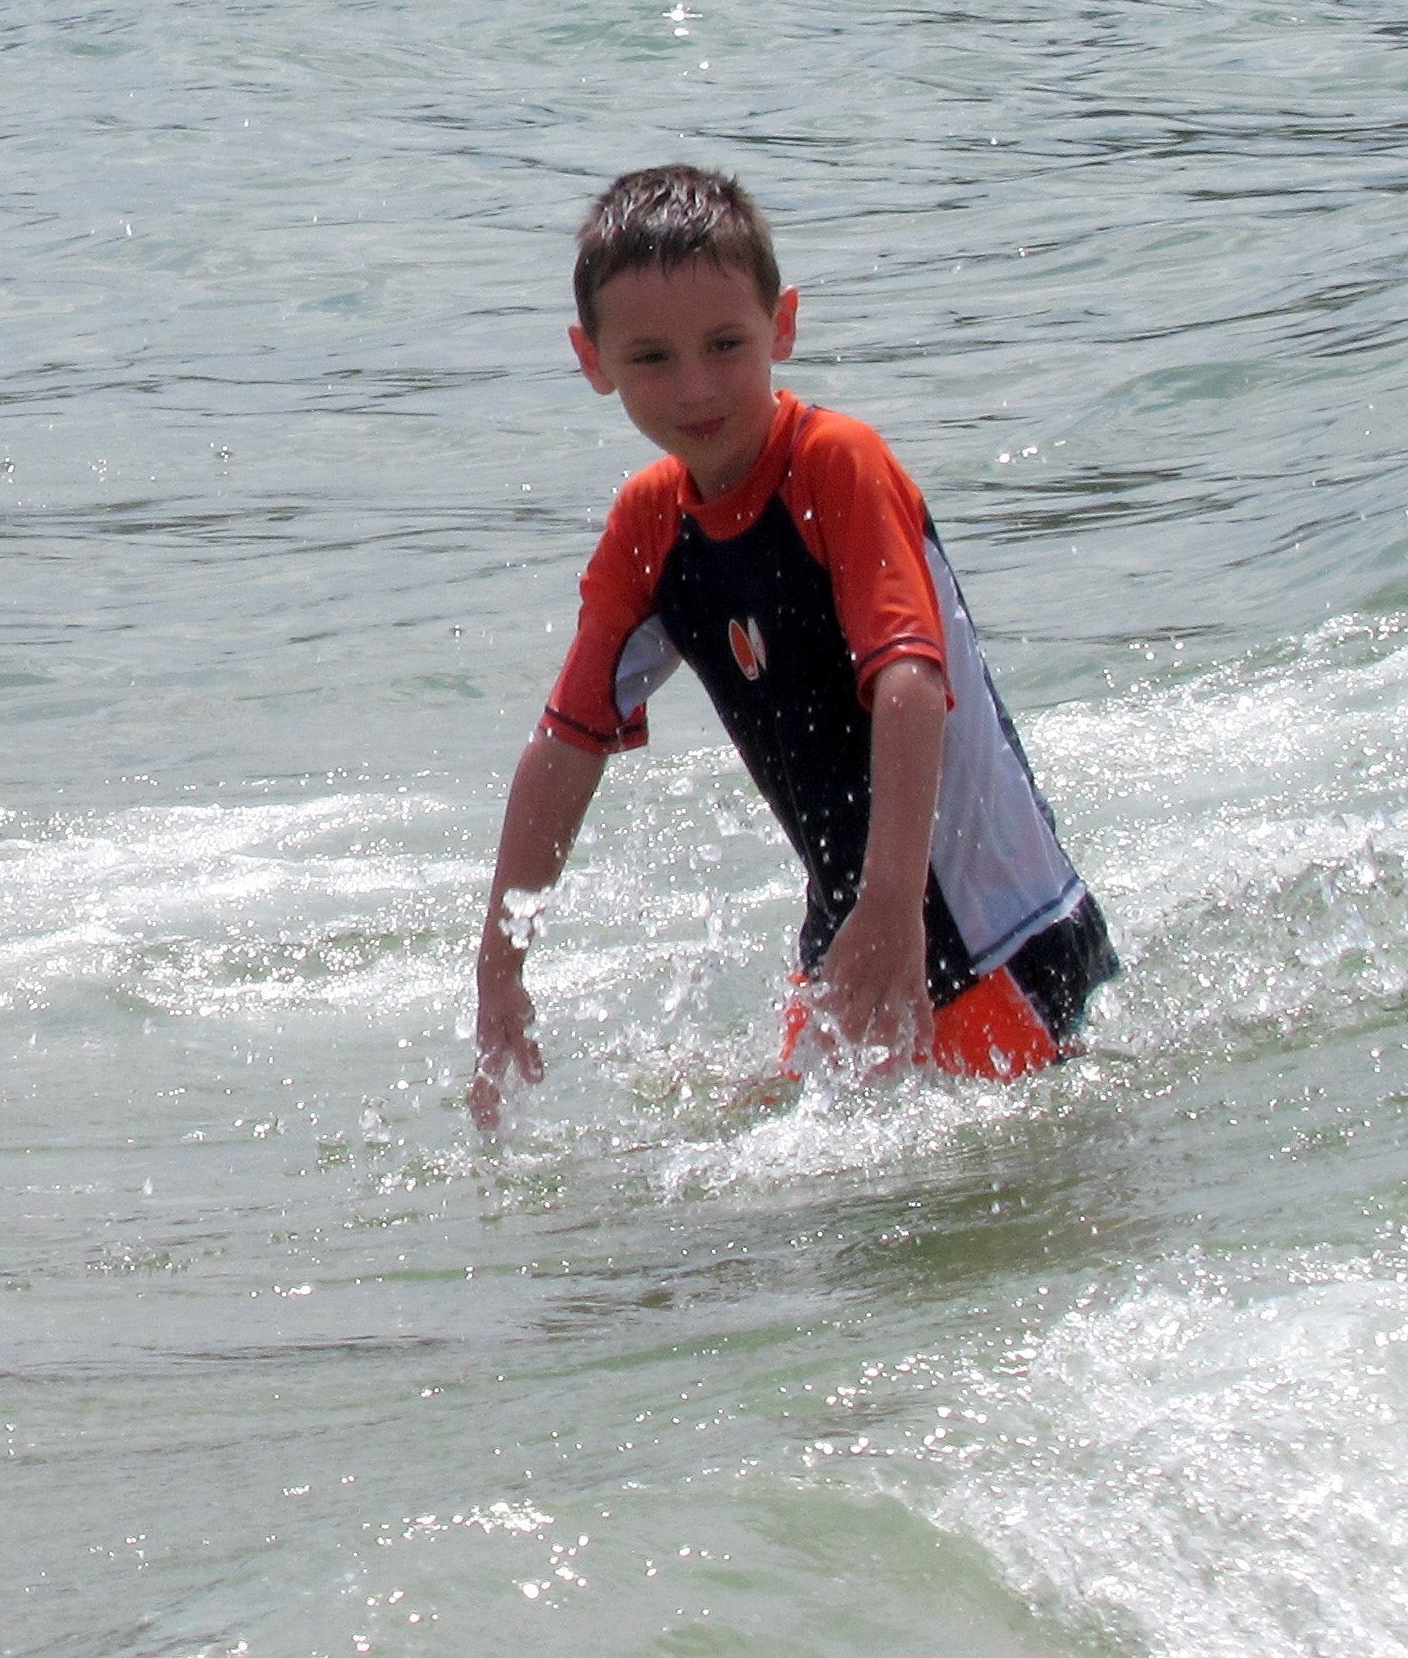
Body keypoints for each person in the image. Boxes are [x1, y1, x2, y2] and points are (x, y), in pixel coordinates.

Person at [470, 165, 1114, 1122]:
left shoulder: (835, 464)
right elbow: (567, 741)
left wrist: (891, 906)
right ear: (591, 358)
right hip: (853, 928)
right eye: (651, 357)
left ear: (783, 325)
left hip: (999, 941)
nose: (695, 386)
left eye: (724, 343)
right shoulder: (650, 525)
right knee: (753, 1165)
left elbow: (909, 681)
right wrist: (498, 965)